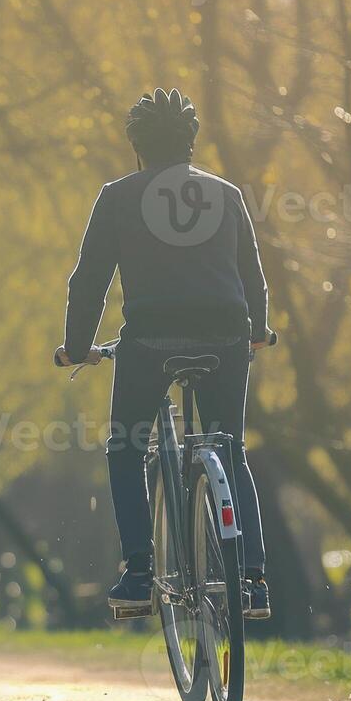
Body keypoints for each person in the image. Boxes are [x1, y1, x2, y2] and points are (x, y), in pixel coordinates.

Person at [55, 89, 273, 619]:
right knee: (230, 448)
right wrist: (259, 331)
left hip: (149, 341)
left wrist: (78, 347)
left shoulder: (118, 196)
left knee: (127, 446)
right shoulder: (226, 194)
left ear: (137, 147)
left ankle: (138, 573)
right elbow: (253, 276)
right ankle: (253, 581)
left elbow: (89, 282)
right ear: (191, 144)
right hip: (226, 335)